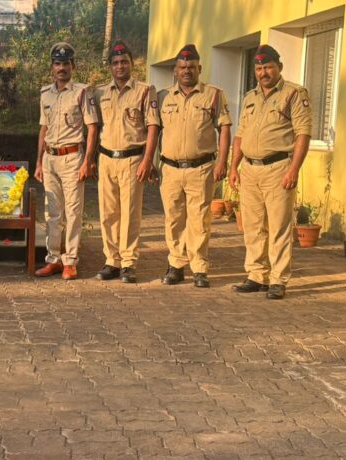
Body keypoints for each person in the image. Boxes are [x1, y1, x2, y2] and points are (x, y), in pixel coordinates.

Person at [228, 44, 314, 299]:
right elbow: (240, 135)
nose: (263, 72)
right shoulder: (250, 97)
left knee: (278, 227)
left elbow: (303, 134)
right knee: (253, 227)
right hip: (250, 169)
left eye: (268, 67)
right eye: (259, 68)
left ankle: (278, 279)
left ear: (279, 67)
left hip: (278, 169)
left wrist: (294, 169)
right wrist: (234, 167)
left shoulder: (294, 94)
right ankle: (257, 275)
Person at [156, 44, 232, 288]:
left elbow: (225, 128)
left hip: (201, 168)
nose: (186, 71)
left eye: (191, 67)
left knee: (199, 220)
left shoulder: (213, 95)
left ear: (200, 68)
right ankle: (176, 266)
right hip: (170, 169)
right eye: (182, 67)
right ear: (175, 70)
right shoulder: (163, 97)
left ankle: (199, 267)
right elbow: (154, 131)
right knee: (173, 219)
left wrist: (223, 161)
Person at [93, 41, 159, 284]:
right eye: (115, 63)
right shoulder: (100, 93)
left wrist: (148, 160)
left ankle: (128, 263)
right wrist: (91, 159)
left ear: (132, 63)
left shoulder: (145, 90)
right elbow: (95, 127)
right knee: (108, 213)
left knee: (130, 213)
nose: (120, 66)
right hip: (106, 158)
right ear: (110, 66)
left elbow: (153, 126)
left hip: (132, 159)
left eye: (124, 62)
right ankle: (112, 261)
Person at [35, 42, 100, 280]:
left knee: (73, 211)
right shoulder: (45, 94)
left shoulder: (82, 93)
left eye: (65, 63)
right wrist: (39, 162)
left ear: (73, 66)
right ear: (52, 67)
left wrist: (87, 162)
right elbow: (43, 128)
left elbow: (92, 128)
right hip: (49, 158)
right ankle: (53, 259)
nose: (61, 68)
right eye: (57, 63)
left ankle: (70, 261)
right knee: (52, 212)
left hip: (72, 158)